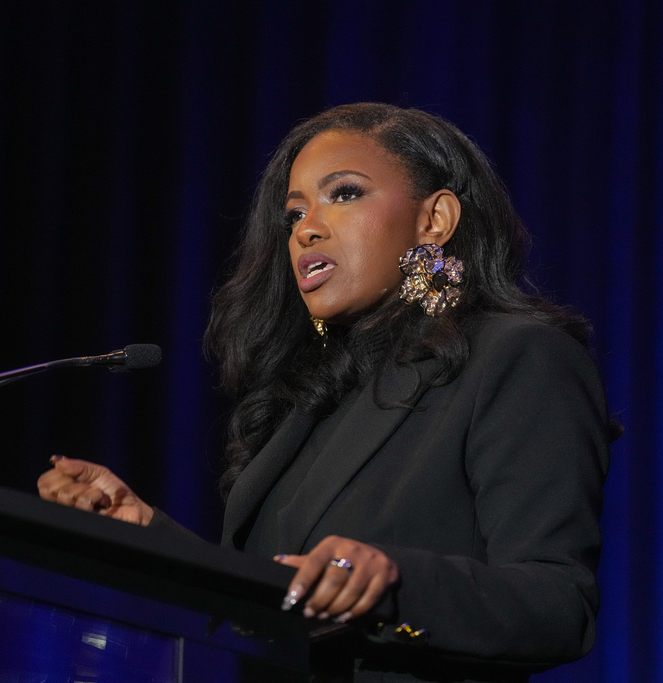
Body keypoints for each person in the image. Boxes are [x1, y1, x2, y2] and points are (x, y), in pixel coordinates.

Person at [38, 103, 615, 682]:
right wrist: (148, 536)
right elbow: (269, 602)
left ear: (434, 219)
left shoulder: (517, 355)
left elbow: (558, 603)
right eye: (293, 214)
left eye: (344, 194)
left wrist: (393, 584)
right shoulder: (310, 398)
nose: (306, 228)